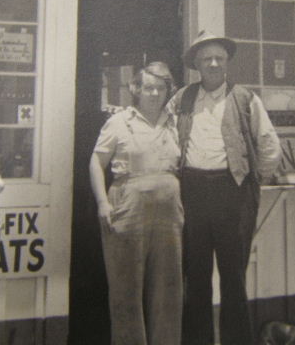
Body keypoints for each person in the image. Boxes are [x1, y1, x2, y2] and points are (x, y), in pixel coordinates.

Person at [168, 30, 281, 345]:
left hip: (233, 193)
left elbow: (268, 143)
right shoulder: (181, 98)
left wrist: (256, 179)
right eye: (207, 59)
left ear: (227, 62)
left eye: (219, 58)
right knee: (196, 275)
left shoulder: (245, 97)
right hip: (192, 191)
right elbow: (165, 138)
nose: (214, 63)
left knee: (233, 277)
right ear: (197, 65)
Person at [89, 61, 183, 345]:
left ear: (168, 91)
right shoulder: (119, 121)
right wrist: (102, 202)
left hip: (169, 209)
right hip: (128, 203)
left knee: (168, 286)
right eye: (148, 88)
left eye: (161, 88)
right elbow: (96, 161)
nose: (154, 94)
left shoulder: (176, 121)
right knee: (126, 284)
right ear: (136, 90)